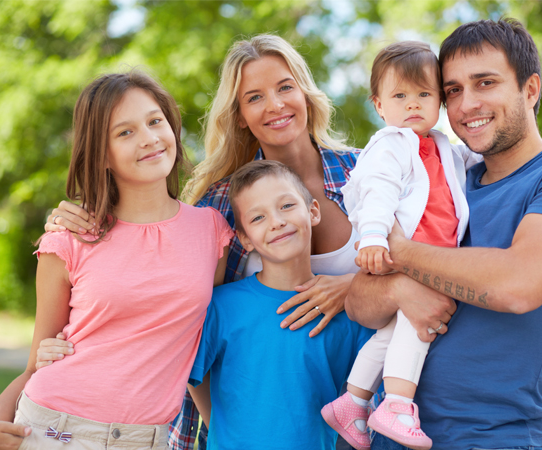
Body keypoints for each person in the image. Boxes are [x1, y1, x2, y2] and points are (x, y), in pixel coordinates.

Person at [38, 34, 363, 450]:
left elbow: (419, 269)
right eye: (255, 97)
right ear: (240, 115)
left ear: (306, 91)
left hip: (362, 399)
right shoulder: (221, 206)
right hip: (252, 420)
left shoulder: (367, 174)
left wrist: (352, 288)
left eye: (285, 87)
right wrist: (76, 218)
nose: (276, 105)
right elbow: (190, 317)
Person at [345, 18, 542, 450]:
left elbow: (517, 285)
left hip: (492, 437)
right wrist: (400, 290)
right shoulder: (443, 180)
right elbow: (360, 303)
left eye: (485, 83)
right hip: (390, 433)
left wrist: (399, 250)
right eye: (452, 90)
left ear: (530, 90)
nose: (466, 104)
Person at [0, 71, 232, 450]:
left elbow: (202, 352)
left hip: (150, 439)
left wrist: (225, 435)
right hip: (53, 431)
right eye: (125, 132)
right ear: (102, 154)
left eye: (155, 121)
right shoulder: (68, 238)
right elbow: (36, 363)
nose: (148, 138)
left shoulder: (212, 231)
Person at [321, 41, 480, 450]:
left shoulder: (441, 145)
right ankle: (396, 403)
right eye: (400, 96)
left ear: (440, 102)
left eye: (424, 94)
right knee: (417, 323)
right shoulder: (389, 144)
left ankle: (352, 401)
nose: (413, 104)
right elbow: (377, 192)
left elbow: (471, 162)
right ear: (379, 105)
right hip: (405, 252)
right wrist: (373, 237)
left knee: (391, 335)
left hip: (431, 253)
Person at [187, 160, 373, 449]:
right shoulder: (223, 306)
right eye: (258, 218)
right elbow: (194, 377)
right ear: (245, 239)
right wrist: (220, 431)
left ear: (313, 211)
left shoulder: (347, 312)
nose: (276, 222)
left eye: (286, 206)